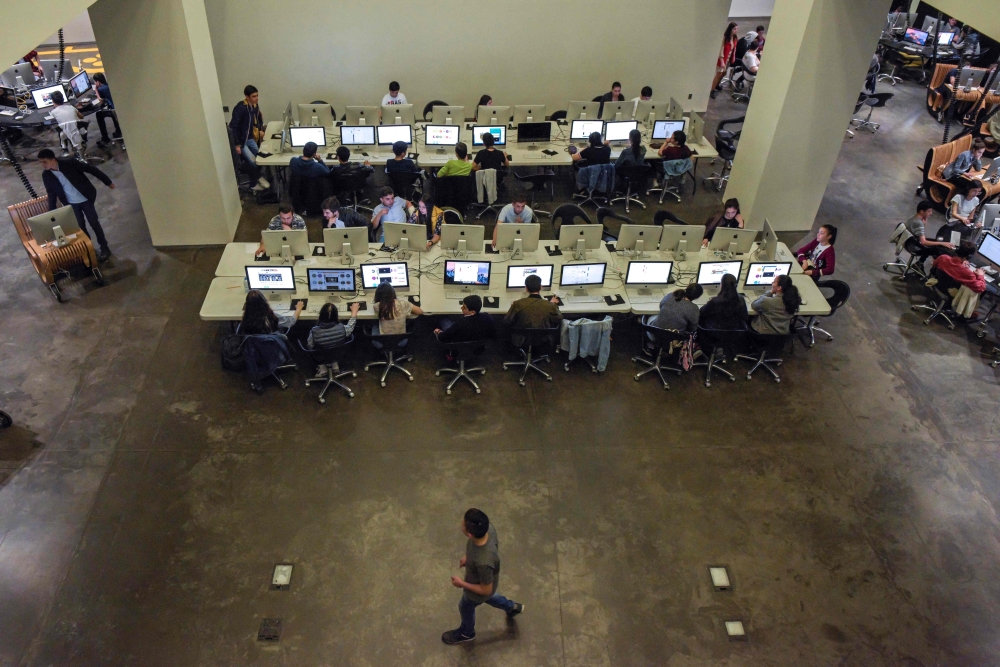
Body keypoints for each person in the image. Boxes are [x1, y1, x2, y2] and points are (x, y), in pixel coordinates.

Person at [441, 508, 523, 645]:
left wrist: (462, 584)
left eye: (463, 523)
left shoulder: (483, 562)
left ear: (469, 533)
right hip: (487, 581)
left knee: (465, 606)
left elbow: (485, 590)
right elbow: (484, 550)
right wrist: (468, 557)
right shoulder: (488, 530)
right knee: (490, 597)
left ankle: (467, 633)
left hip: (478, 589)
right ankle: (511, 607)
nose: (461, 522)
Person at [37, 148, 115, 261]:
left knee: (94, 222)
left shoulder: (70, 163)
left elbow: (91, 169)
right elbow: (51, 194)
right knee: (80, 227)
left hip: (85, 198)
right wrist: (52, 213)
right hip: (71, 204)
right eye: (41, 162)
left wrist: (108, 182)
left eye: (45, 162)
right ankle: (89, 248)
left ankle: (104, 247)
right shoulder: (47, 175)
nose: (43, 165)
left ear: (53, 160)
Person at [229, 85, 270, 192]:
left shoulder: (255, 106)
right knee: (252, 162)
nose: (256, 98)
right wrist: (237, 144)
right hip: (242, 142)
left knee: (259, 157)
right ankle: (254, 183)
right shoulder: (240, 108)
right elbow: (233, 127)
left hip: (250, 137)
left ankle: (257, 177)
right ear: (247, 97)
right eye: (253, 96)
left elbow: (257, 119)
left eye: (257, 96)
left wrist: (260, 129)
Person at [504, 274, 562, 347]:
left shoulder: (518, 303)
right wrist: (552, 304)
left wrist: (513, 307)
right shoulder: (550, 305)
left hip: (521, 340)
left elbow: (507, 321)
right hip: (543, 340)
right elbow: (559, 318)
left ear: (526, 288)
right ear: (541, 287)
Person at [307, 301, 360, 374]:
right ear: (336, 315)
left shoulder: (314, 331)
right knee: (332, 351)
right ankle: (334, 365)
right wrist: (354, 312)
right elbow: (350, 327)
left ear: (321, 315)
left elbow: (310, 345)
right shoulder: (342, 328)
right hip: (338, 354)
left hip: (321, 357)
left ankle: (322, 368)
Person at [905, 200, 955, 267]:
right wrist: (942, 243)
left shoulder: (915, 217)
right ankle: (935, 268)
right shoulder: (919, 223)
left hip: (910, 239)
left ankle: (920, 262)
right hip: (912, 244)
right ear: (922, 211)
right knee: (936, 249)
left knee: (934, 242)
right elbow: (923, 242)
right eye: (929, 211)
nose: (931, 213)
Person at [91, 73, 122, 146]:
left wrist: (96, 90)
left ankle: (105, 138)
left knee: (99, 114)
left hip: (113, 109)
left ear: (98, 82)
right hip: (117, 107)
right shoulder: (108, 85)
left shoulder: (101, 89)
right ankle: (118, 131)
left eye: (95, 82)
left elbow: (100, 100)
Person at [711, 22, 740, 99]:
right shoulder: (725, 38)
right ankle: (712, 90)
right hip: (723, 59)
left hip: (728, 59)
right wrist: (722, 61)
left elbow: (734, 49)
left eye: (737, 29)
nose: (736, 30)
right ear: (730, 29)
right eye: (734, 29)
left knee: (724, 73)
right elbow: (721, 49)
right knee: (719, 74)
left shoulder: (734, 38)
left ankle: (717, 84)